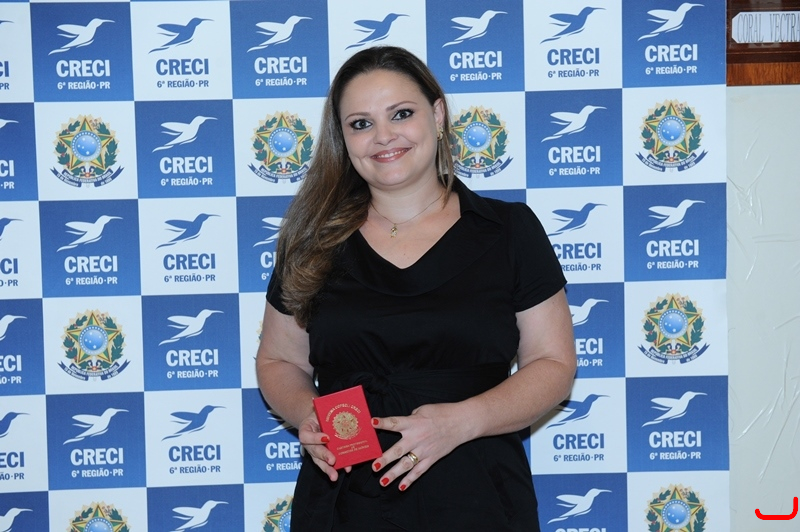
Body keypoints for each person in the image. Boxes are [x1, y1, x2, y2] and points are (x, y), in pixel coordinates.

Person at [256, 45, 576, 531]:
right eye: (361, 123)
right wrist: (311, 416)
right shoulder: (312, 240)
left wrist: (460, 423)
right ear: (343, 138)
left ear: (438, 114)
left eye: (401, 114)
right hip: (345, 501)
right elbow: (280, 360)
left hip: (478, 497)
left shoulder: (509, 230)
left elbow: (553, 365)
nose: (383, 136)